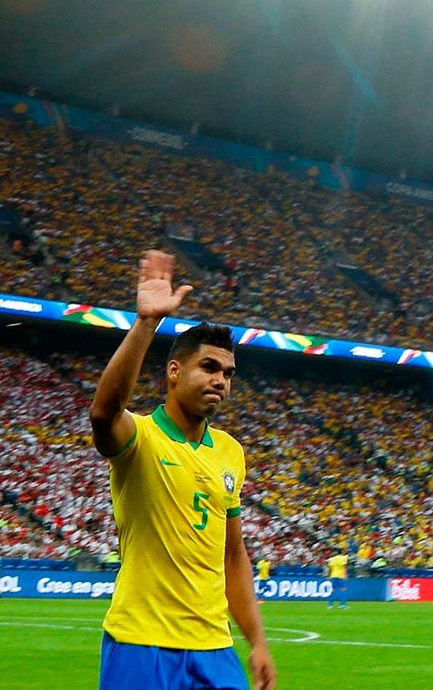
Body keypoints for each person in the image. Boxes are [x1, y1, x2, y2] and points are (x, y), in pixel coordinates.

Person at [88, 251, 274, 690]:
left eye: (228, 373)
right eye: (208, 367)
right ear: (175, 371)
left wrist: (258, 641)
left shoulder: (230, 451)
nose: (220, 381)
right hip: (140, 643)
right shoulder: (140, 436)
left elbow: (233, 555)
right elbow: (102, 412)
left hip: (215, 648)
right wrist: (146, 324)